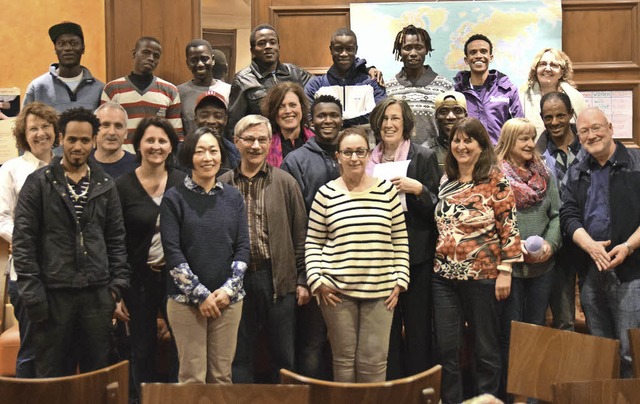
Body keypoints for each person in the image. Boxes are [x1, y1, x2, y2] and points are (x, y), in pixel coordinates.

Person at [13, 107, 130, 377]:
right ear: (61, 139)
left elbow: (116, 240)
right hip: (53, 296)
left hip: (97, 296)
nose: (78, 146)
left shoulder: (106, 184)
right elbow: (23, 242)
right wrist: (33, 295)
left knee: (96, 378)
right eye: (72, 139)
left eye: (85, 140)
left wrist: (115, 289)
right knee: (53, 380)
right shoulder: (38, 183)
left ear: (94, 141)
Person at [306, 127, 410, 382]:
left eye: (360, 152)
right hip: (337, 293)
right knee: (343, 361)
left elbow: (400, 240)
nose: (354, 158)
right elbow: (313, 242)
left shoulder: (387, 192)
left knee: (374, 363)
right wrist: (317, 281)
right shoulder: (326, 193)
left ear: (368, 155)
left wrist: (400, 279)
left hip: (381, 292)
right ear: (338, 156)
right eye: (348, 152)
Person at [432, 117, 522, 403]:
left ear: (482, 145)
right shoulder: (446, 181)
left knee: (486, 350)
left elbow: (509, 228)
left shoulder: (496, 181)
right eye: (456, 140)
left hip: (484, 277)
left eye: (468, 140)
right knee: (448, 350)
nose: (461, 146)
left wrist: (505, 271)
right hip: (443, 277)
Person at [218, 114, 307, 383]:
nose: (255, 145)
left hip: (277, 279)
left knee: (284, 355)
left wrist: (302, 280)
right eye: (249, 139)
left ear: (270, 143)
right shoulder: (222, 185)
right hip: (235, 281)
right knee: (239, 355)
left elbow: (300, 235)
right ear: (236, 142)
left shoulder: (285, 182)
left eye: (262, 139)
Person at [160, 127, 249, 384]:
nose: (207, 157)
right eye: (200, 151)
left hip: (228, 301)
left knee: (222, 376)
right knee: (192, 377)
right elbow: (173, 253)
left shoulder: (233, 197)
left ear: (221, 155)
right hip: (185, 301)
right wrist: (200, 294)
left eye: (213, 150)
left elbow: (243, 247)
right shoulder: (174, 198)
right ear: (189, 156)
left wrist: (228, 290)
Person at [560, 107, 640, 378]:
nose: (591, 135)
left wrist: (629, 245)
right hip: (591, 270)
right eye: (584, 131)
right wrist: (591, 247)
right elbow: (568, 215)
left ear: (610, 128)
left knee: (630, 352)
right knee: (601, 350)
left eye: (596, 128)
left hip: (631, 271)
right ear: (579, 137)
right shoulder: (576, 170)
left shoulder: (636, 161)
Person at [366, 97, 440, 379]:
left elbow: (436, 209)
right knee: (387, 332)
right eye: (384, 119)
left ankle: (418, 392)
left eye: (395, 118)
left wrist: (418, 189)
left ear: (406, 123)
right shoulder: (368, 159)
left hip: (416, 258)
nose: (389, 124)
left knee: (419, 330)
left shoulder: (423, 156)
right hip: (379, 257)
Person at [116, 117, 183, 398]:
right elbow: (115, 241)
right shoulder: (121, 186)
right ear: (139, 145)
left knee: (181, 347)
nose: (156, 146)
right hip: (137, 281)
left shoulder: (183, 182)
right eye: (150, 140)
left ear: (171, 147)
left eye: (162, 141)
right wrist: (116, 292)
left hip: (178, 280)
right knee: (141, 349)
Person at [494, 118, 561, 394]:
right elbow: (491, 221)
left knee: (536, 333)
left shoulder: (545, 172)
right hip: (508, 271)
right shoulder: (493, 174)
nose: (531, 144)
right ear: (509, 141)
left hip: (542, 271)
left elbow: (557, 215)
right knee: (510, 337)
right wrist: (510, 249)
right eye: (523, 138)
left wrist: (550, 245)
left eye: (532, 137)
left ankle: (531, 397)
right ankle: (510, 396)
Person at [281, 95, 343, 379]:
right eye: (321, 116)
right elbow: (291, 219)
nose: (328, 120)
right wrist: (303, 274)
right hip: (314, 264)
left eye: (334, 115)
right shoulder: (295, 161)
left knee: (345, 343)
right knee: (313, 341)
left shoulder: (353, 153)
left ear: (342, 119)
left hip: (352, 262)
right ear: (311, 121)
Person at [227, 24, 381, 139]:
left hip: (294, 141)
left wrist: (363, 69)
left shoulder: (294, 72)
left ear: (278, 46)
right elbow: (233, 126)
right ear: (253, 50)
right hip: (261, 143)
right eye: (262, 43)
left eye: (272, 42)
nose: (268, 47)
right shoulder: (243, 79)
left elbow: (330, 79)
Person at [0, 102, 57, 377]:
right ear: (24, 134)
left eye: (46, 126)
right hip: (25, 275)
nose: (41, 133)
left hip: (60, 274)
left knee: (57, 350)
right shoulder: (11, 169)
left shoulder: (66, 166)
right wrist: (29, 242)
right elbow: (2, 218)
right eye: (33, 128)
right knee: (31, 350)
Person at [536, 91, 586, 332]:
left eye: (560, 116)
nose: (554, 122)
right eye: (548, 117)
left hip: (591, 238)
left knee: (595, 312)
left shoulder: (589, 144)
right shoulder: (536, 153)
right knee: (564, 317)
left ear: (570, 115)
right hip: (558, 242)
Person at [101, 36, 183, 144]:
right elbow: (103, 129)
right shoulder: (112, 89)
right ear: (134, 54)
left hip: (156, 156)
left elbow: (176, 135)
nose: (151, 58)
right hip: (121, 158)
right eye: (146, 52)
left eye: (156, 56)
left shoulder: (170, 91)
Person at [386, 25, 454, 146]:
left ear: (426, 49)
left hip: (434, 158)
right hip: (399, 158)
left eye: (419, 47)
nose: (413, 53)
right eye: (407, 48)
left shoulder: (444, 87)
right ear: (399, 51)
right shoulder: (389, 88)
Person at [305, 28, 386, 129]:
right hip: (325, 144)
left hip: (365, 144)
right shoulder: (316, 85)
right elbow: (308, 120)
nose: (344, 54)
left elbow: (379, 116)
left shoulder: (372, 83)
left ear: (356, 49)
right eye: (338, 49)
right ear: (331, 49)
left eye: (349, 49)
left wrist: (342, 123)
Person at [453, 34, 523, 143]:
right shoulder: (457, 93)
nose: (478, 56)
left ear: (491, 57)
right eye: (473, 52)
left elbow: (520, 128)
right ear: (466, 60)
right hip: (468, 155)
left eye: (483, 51)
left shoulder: (508, 90)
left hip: (500, 156)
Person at [24, 22, 104, 113]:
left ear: (83, 48)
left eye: (74, 43)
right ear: (55, 49)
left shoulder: (99, 89)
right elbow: (23, 125)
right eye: (61, 44)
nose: (67, 48)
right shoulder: (37, 88)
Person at [519, 48, 586, 136]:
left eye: (553, 65)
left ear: (562, 72)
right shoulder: (523, 97)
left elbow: (584, 128)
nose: (547, 69)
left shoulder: (576, 97)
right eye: (542, 64)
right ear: (535, 70)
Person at [178, 39, 231, 137]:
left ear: (213, 60)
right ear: (187, 63)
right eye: (194, 60)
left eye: (204, 59)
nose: (200, 64)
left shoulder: (229, 91)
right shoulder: (179, 93)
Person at [261, 82, 314, 167]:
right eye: (280, 107)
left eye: (293, 105)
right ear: (273, 112)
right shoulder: (263, 146)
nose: (288, 111)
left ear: (302, 107)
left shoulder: (317, 142)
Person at [192, 90, 240, 170]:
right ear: (195, 119)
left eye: (217, 116)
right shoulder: (180, 152)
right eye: (204, 116)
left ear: (225, 120)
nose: (211, 121)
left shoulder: (235, 152)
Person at [91, 102, 139, 178]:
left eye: (118, 126)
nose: (112, 132)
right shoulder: (82, 163)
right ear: (94, 130)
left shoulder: (139, 166)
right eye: (105, 125)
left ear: (126, 133)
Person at [431, 91, 468, 175]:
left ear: (466, 116)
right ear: (436, 117)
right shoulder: (426, 152)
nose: (450, 117)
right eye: (443, 112)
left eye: (457, 111)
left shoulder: (475, 149)